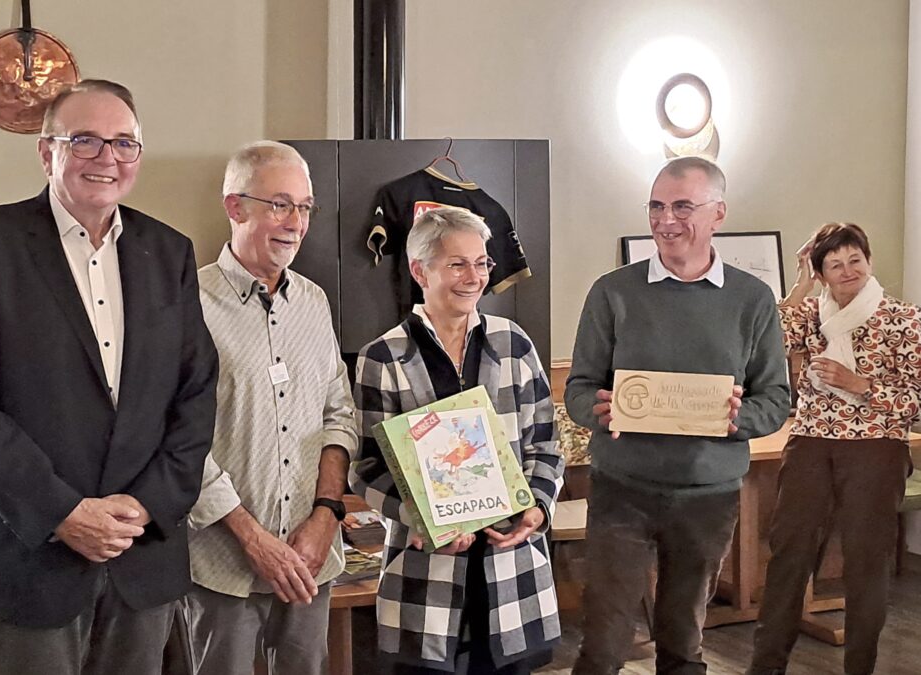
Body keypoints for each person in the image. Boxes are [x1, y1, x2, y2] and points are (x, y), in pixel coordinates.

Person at [0, 79, 219, 675]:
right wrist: (63, 512)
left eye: (123, 144)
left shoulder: (169, 253)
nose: (106, 158)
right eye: (84, 140)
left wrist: (144, 505)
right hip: (30, 551)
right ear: (47, 152)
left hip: (142, 554)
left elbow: (195, 395)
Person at [565, 156, 791, 674]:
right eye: (656, 206)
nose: (666, 220)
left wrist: (739, 419)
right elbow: (579, 389)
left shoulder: (752, 300)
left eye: (682, 206)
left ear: (718, 213)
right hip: (623, 488)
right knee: (603, 641)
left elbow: (775, 400)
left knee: (683, 640)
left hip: (708, 496)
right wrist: (597, 410)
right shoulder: (612, 292)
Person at [351, 206, 563, 674]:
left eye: (482, 262)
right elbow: (366, 470)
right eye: (457, 264)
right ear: (418, 270)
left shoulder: (514, 344)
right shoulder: (383, 358)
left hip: (512, 570)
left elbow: (545, 443)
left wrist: (538, 508)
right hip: (426, 576)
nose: (474, 277)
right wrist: (424, 521)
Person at [184, 141, 357, 674]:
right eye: (280, 204)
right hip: (223, 561)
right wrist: (254, 540)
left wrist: (326, 516)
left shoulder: (314, 301)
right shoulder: (186, 302)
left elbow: (339, 414)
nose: (296, 223)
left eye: (304, 207)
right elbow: (175, 439)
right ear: (235, 207)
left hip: (311, 556)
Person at [747, 223, 921, 675]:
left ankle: (859, 667)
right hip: (809, 444)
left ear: (869, 261)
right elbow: (767, 341)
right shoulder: (812, 314)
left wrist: (862, 386)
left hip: (876, 449)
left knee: (866, 562)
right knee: (790, 555)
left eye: (855, 261)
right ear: (823, 273)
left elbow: (916, 398)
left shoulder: (903, 318)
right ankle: (766, 666)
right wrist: (802, 280)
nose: (848, 272)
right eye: (835, 265)